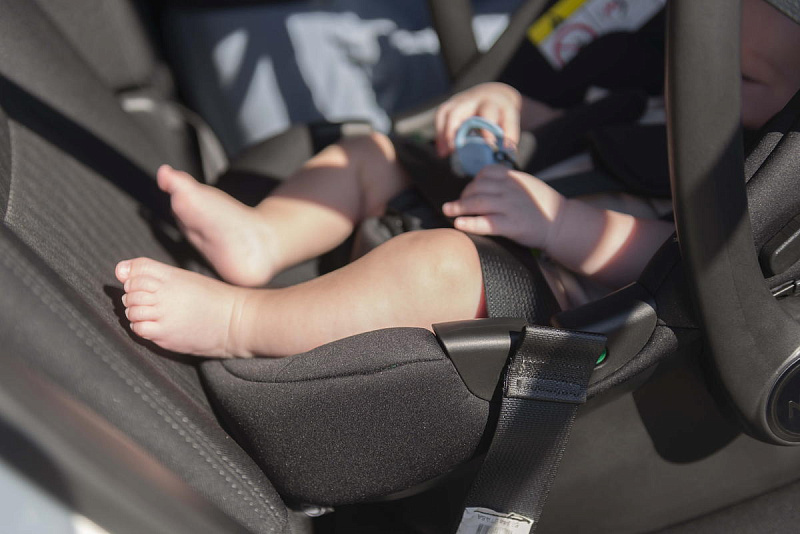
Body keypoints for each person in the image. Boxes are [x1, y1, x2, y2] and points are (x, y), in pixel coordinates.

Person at [115, 0, 800, 359]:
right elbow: (562, 121)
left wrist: (561, 225)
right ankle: (264, 237)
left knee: (438, 268)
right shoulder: (654, 98)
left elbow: (693, 265)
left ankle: (240, 321)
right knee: (370, 151)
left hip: (551, 287)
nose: (700, 79)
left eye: (739, 76)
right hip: (495, 195)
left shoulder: (748, 177)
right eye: (694, 52)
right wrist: (502, 105)